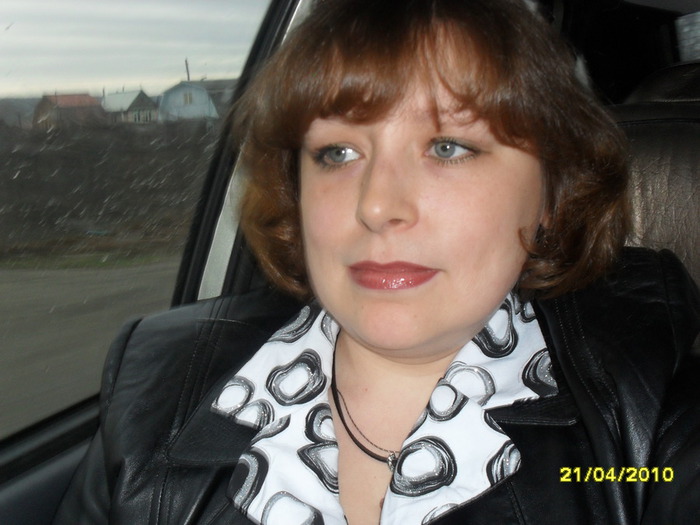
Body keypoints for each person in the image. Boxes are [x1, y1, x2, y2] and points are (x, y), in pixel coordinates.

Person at [54, 0, 700, 524]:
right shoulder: (158, 385)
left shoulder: (652, 404)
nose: (377, 206)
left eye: (447, 147)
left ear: (553, 194)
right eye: (337, 153)